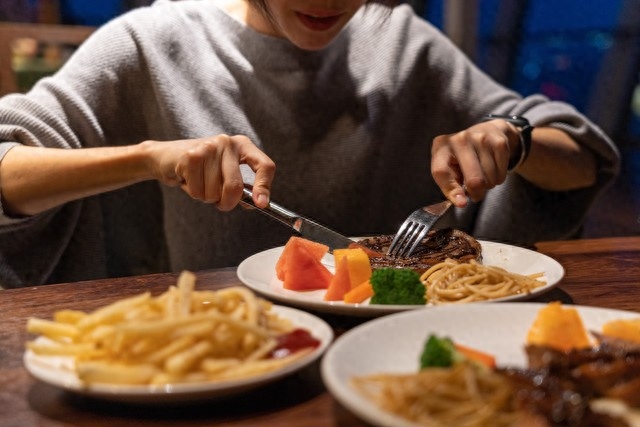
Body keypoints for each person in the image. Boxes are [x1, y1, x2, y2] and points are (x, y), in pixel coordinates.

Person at [0, 0, 620, 288]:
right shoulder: (151, 42)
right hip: (219, 379)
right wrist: (148, 157)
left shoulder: (405, 45)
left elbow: (582, 162)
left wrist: (515, 141)